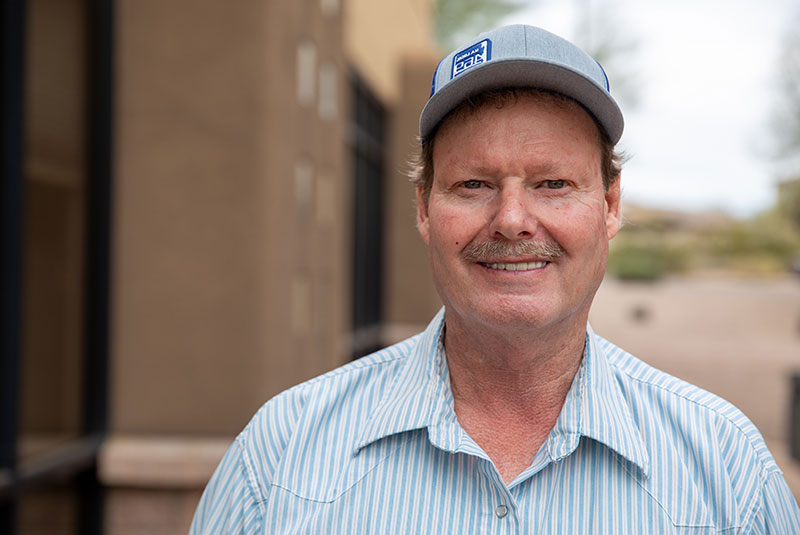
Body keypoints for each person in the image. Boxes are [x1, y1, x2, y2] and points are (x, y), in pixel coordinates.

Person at [191, 25, 800, 534]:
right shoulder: (278, 460)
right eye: (474, 185)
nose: (512, 220)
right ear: (425, 208)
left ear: (611, 205)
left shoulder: (725, 471)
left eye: (553, 184)